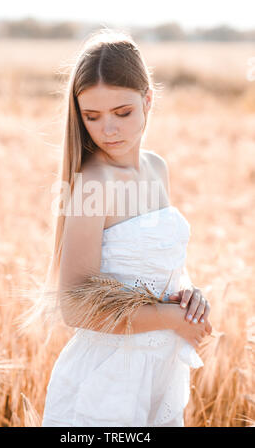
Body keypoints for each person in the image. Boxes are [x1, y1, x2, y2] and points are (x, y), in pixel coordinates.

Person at [40, 29, 212, 427]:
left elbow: (152, 266)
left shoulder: (157, 168)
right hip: (110, 378)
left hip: (159, 368)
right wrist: (169, 317)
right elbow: (75, 306)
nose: (108, 130)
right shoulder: (92, 184)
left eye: (123, 112)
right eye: (92, 116)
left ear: (148, 99)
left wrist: (186, 297)